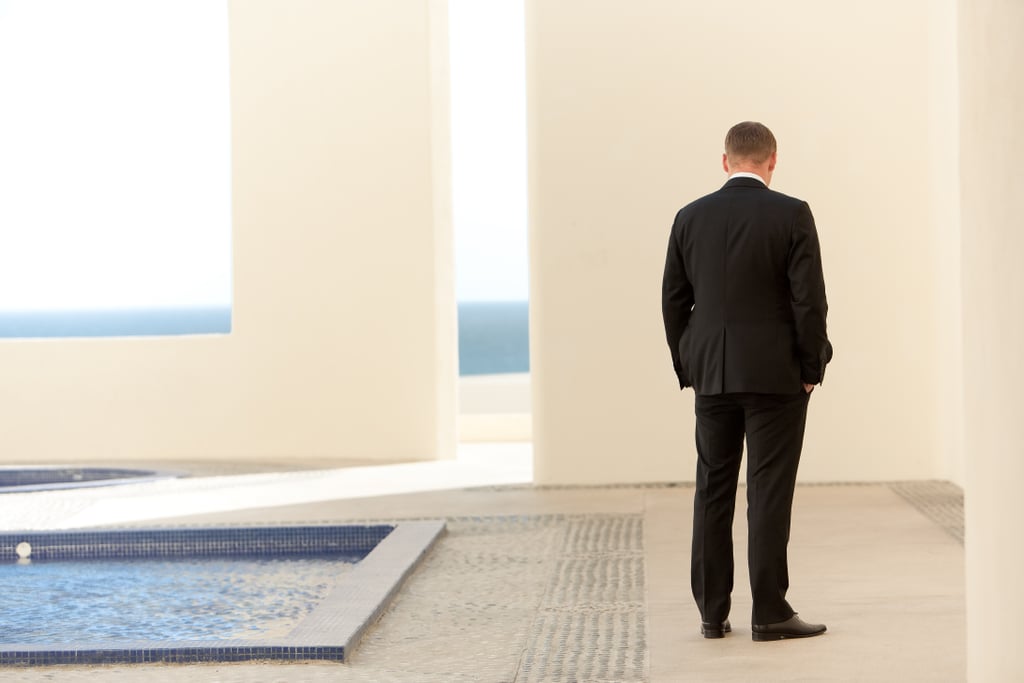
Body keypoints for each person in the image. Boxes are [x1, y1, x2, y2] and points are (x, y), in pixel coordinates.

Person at [661, 121, 833, 641]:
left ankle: (712, 614)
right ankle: (770, 612)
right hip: (777, 378)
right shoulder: (792, 214)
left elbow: (673, 301)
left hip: (712, 376)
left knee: (712, 490)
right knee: (767, 492)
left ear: (725, 161)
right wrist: (811, 369)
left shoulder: (689, 217)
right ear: (772, 161)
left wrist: (691, 362)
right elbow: (809, 302)